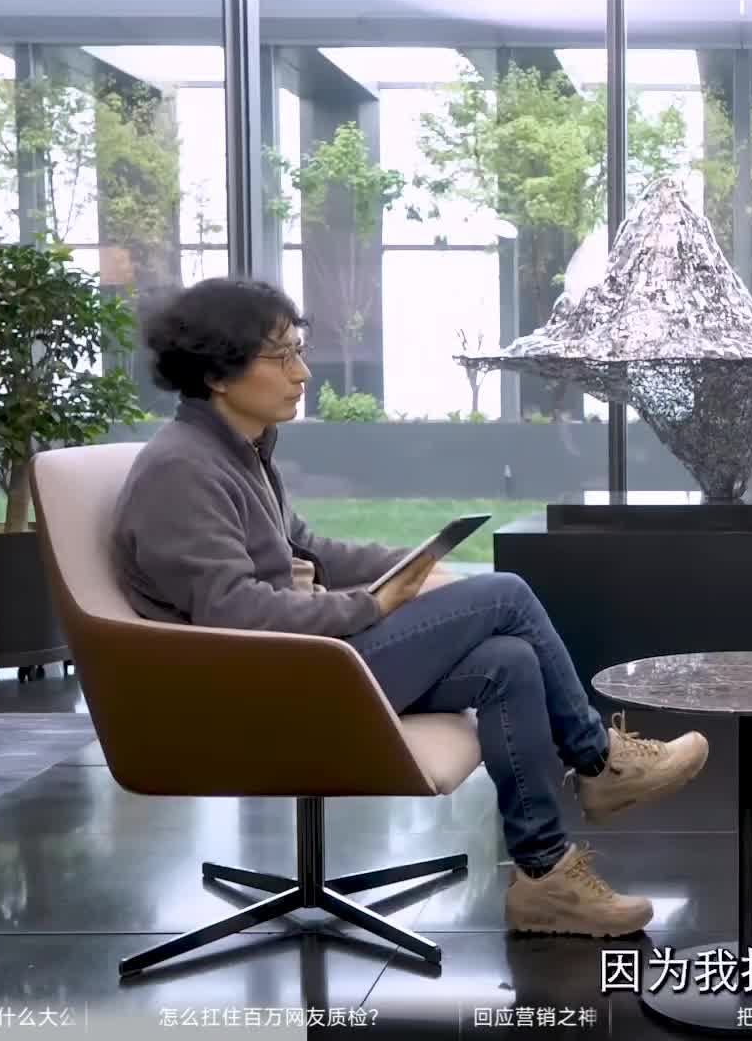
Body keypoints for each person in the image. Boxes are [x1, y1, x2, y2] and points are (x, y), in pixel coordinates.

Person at [111, 277, 709, 939]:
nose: (301, 372)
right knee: (506, 593)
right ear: (217, 373)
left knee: (509, 660)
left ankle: (546, 880)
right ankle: (600, 762)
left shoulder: (240, 451)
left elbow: (307, 549)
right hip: (263, 685)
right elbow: (232, 611)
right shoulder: (183, 469)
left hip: (301, 662)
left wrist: (412, 567)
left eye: (298, 350)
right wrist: (369, 604)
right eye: (280, 357)